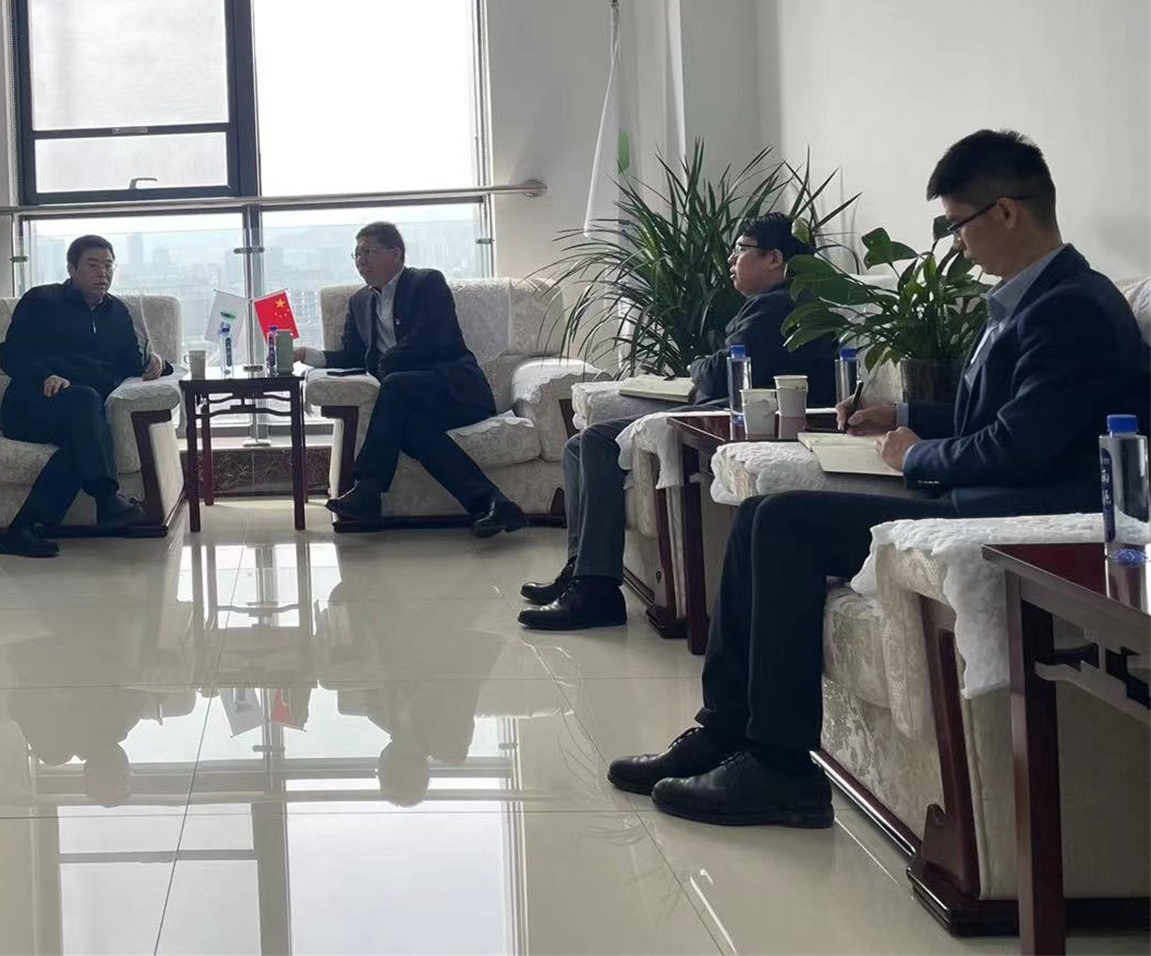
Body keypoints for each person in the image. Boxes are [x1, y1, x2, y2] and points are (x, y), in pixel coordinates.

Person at [607, 130, 1151, 828]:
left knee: (786, 523)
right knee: (765, 514)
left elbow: (1018, 447)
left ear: (1006, 213)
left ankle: (779, 770)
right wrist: (903, 414)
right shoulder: (1033, 298)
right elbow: (1004, 413)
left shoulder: (1072, 308)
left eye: (957, 225)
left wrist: (914, 455)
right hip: (989, 492)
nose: (956, 244)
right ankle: (726, 731)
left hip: (1022, 512)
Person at [521, 212, 839, 630]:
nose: (731, 260)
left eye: (741, 250)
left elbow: (720, 372)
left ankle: (596, 591)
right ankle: (582, 571)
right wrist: (706, 369)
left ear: (774, 258)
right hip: (735, 407)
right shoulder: (780, 301)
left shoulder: (778, 306)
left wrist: (699, 367)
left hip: (747, 417)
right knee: (579, 446)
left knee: (595, 441)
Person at [297, 222, 527, 538]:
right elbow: (352, 355)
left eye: (368, 251)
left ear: (395, 254)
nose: (360, 260)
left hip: (455, 392)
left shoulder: (426, 283)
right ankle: (495, 503)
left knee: (394, 385)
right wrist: (306, 354)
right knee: (412, 432)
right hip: (408, 405)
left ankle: (368, 489)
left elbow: (433, 339)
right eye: (356, 254)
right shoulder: (359, 302)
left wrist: (385, 365)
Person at [0, 235, 163, 558]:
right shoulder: (41, 300)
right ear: (71, 269)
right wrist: (44, 375)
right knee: (85, 401)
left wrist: (157, 362)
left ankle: (23, 530)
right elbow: (9, 354)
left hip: (83, 413)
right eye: (93, 265)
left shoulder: (117, 312)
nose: (103, 273)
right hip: (29, 405)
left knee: (81, 441)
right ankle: (106, 498)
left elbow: (130, 362)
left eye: (108, 266)